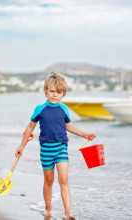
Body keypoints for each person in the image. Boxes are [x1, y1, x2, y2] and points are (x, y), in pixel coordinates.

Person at [15, 72, 95, 220]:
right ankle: (48, 208)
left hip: (61, 148)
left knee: (64, 179)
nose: (55, 95)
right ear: (46, 91)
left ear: (63, 94)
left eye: (59, 92)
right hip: (46, 149)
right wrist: (22, 146)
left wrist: (84, 134)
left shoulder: (63, 109)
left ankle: (68, 212)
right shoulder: (40, 109)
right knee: (49, 180)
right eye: (52, 91)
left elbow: (67, 126)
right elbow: (30, 127)